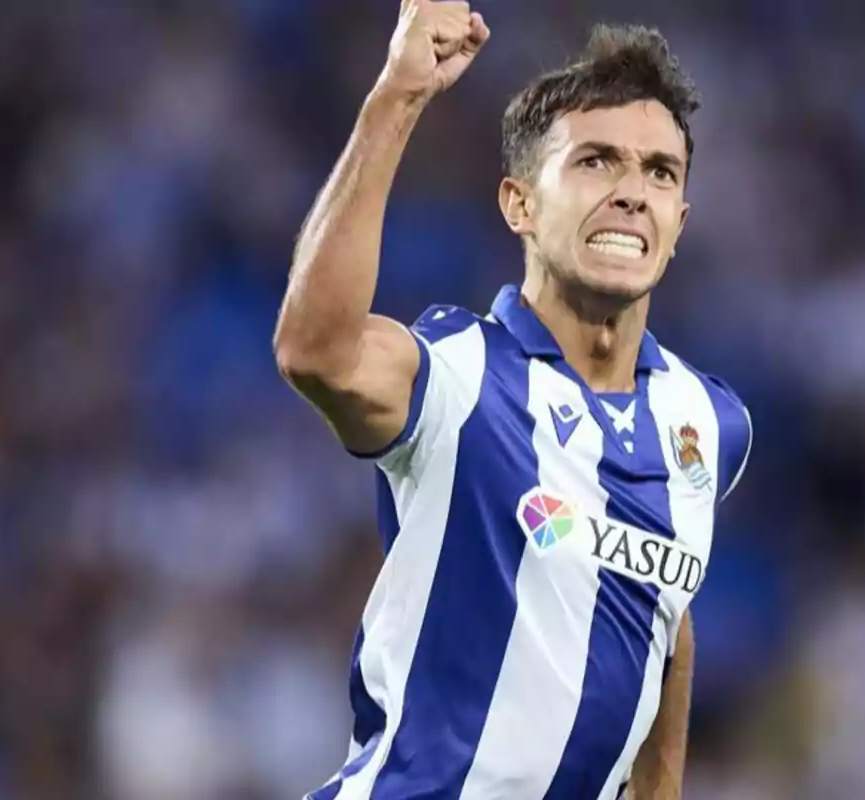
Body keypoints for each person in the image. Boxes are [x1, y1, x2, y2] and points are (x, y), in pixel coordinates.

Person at [273, 1, 752, 797]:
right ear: (519, 204)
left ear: (679, 221)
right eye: (596, 161)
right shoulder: (460, 377)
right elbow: (315, 351)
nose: (633, 192)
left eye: (660, 172)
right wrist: (398, 95)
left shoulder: (708, 423)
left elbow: (666, 608)